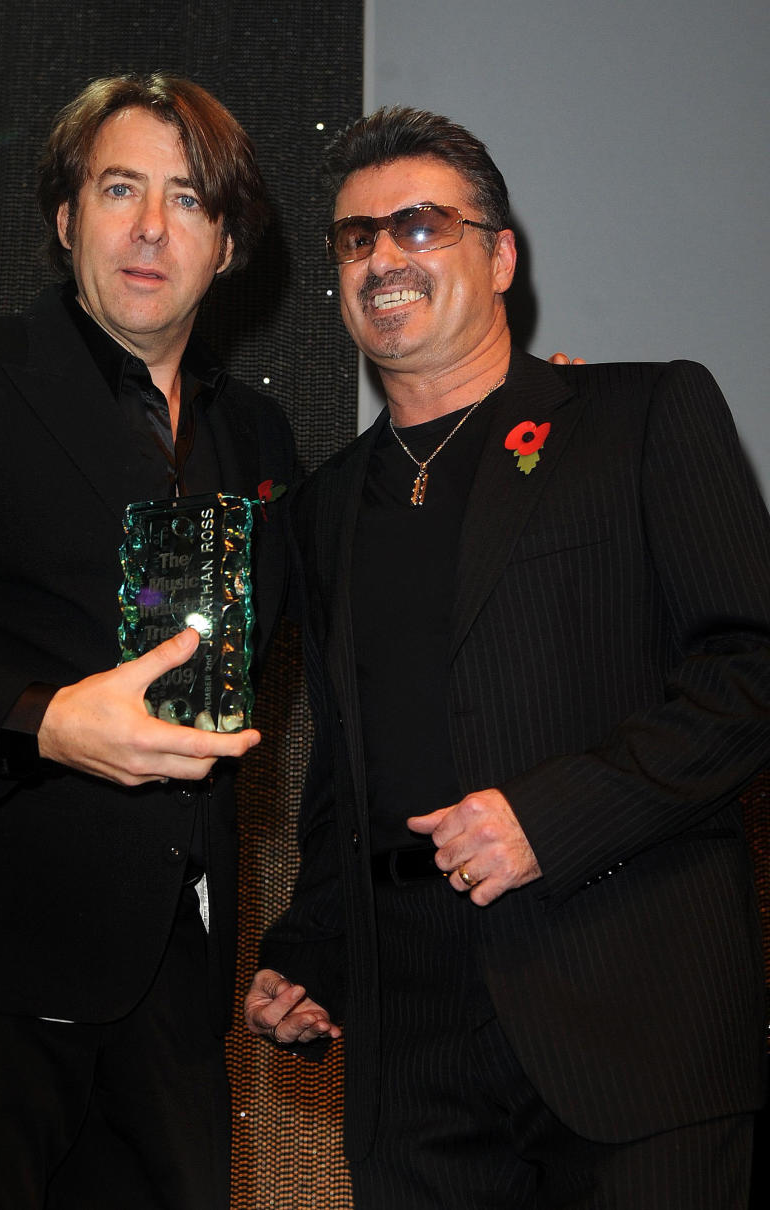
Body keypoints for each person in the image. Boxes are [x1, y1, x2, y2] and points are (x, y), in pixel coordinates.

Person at [246, 105, 770, 1209]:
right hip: (414, 1065)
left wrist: (553, 816)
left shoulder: (642, 412)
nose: (384, 255)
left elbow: (750, 670)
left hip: (631, 1023)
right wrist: (314, 949)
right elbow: (350, 767)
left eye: (421, 225)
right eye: (355, 236)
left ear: (500, 255)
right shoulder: (325, 505)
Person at [0, 72, 297, 1209]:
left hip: (171, 1001)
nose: (148, 227)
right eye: (119, 187)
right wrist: (41, 719)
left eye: (188, 199)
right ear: (65, 216)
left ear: (226, 245)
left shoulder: (260, 435)